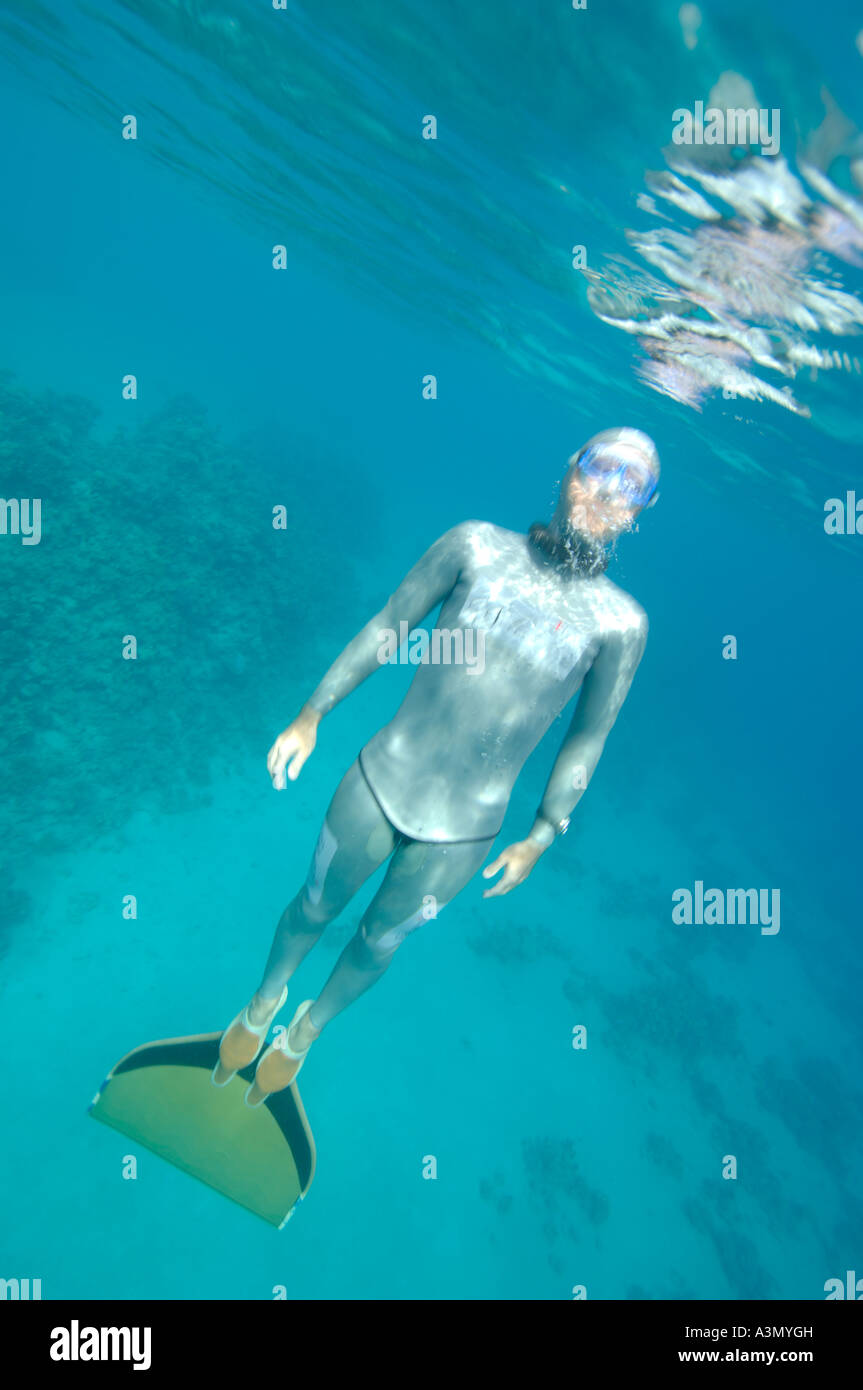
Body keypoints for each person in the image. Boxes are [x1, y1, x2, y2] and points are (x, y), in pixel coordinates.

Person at [213, 426, 660, 1107]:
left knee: (375, 945)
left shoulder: (621, 625)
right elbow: (388, 625)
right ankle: (259, 1005)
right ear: (570, 466)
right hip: (378, 780)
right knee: (312, 907)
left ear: (640, 511)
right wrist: (312, 714)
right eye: (601, 466)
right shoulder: (473, 543)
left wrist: (543, 833)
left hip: (466, 830)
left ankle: (303, 1035)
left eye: (631, 484)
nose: (607, 490)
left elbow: (587, 739)